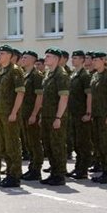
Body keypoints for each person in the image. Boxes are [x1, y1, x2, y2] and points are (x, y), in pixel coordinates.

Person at [0, 44, 25, 187]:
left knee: (12, 144)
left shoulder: (15, 71)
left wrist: (14, 112)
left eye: (3, 53)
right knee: (3, 144)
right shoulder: (1, 71)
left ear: (11, 56)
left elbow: (20, 93)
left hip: (10, 114)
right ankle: (9, 173)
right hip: (2, 114)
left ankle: (15, 175)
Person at [87, 51, 107, 184]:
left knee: (105, 144)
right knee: (99, 143)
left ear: (103, 60)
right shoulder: (95, 76)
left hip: (105, 115)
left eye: (96, 60)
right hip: (96, 115)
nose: (93, 62)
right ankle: (104, 170)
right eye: (92, 60)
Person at [39, 48, 70, 186]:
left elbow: (63, 98)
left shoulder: (61, 75)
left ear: (57, 59)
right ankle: (53, 172)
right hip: (46, 116)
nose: (45, 58)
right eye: (45, 56)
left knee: (57, 146)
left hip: (56, 117)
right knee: (49, 146)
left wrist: (58, 117)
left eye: (49, 56)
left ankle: (60, 175)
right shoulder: (48, 74)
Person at [67, 50, 93, 179]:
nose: (73, 60)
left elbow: (89, 95)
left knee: (83, 143)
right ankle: (78, 167)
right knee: (76, 142)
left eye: (76, 58)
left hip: (82, 114)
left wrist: (88, 112)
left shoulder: (85, 76)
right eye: (73, 58)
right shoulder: (73, 74)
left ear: (83, 60)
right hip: (73, 113)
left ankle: (83, 170)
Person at [20, 50, 44, 181]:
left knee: (35, 142)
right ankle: (32, 167)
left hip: (31, 114)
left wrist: (34, 114)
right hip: (24, 113)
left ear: (33, 60)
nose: (22, 59)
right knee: (28, 142)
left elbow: (40, 96)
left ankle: (36, 169)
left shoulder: (36, 76)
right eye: (22, 57)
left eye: (25, 57)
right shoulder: (25, 75)